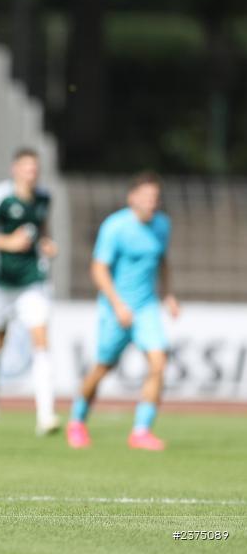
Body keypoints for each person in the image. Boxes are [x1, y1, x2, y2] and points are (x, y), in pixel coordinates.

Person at [67, 172, 179, 451]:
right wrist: (117, 304)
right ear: (132, 198)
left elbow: (162, 261)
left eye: (155, 198)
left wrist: (168, 295)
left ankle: (141, 431)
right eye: (145, 197)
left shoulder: (162, 225)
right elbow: (98, 268)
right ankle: (77, 421)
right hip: (116, 308)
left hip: (146, 308)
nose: (151, 203)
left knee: (158, 362)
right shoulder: (115, 227)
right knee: (103, 367)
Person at [0, 148, 61, 436]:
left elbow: (43, 229)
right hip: (2, 282)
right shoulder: (0, 196)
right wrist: (7, 242)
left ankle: (46, 414)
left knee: (42, 341)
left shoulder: (44, 197)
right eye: (26, 168)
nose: (31, 174)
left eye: (35, 169)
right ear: (15, 169)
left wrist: (46, 243)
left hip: (34, 282)